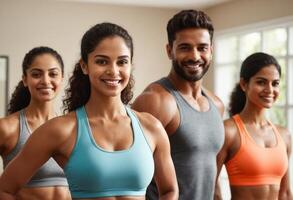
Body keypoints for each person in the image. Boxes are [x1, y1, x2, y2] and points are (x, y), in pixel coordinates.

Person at [0, 22, 178, 200]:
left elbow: (170, 190)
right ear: (84, 66)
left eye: (122, 62)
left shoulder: (151, 127)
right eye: (102, 61)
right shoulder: (60, 129)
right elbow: (5, 189)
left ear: (130, 65)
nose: (113, 71)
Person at [132, 9, 225, 200]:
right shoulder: (155, 100)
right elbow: (129, 171)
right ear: (169, 50)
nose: (195, 56)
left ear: (211, 50)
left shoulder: (217, 104)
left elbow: (211, 172)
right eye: (185, 47)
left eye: (202, 48)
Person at [216, 52, 292, 200]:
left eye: (275, 83)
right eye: (261, 82)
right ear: (244, 84)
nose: (270, 90)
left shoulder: (285, 135)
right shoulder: (228, 131)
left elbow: (286, 193)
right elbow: (211, 187)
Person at [0, 47, 70, 200]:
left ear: (62, 78)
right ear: (25, 79)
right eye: (36, 74)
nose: (45, 81)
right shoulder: (7, 127)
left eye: (53, 74)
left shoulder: (70, 128)